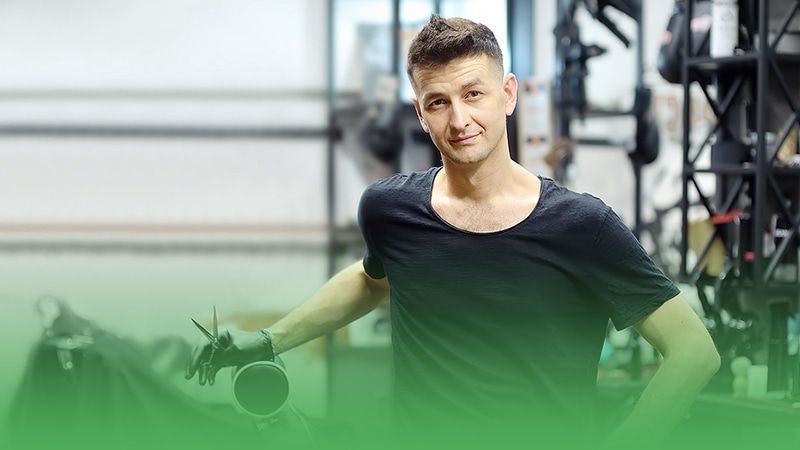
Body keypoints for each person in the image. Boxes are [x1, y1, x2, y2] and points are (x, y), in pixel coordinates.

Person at [185, 14, 720, 449]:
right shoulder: (389, 209)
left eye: (473, 94)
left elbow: (694, 352)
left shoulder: (583, 225)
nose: (459, 119)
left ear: (507, 94)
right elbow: (375, 278)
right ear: (420, 112)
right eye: (438, 102)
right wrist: (267, 340)